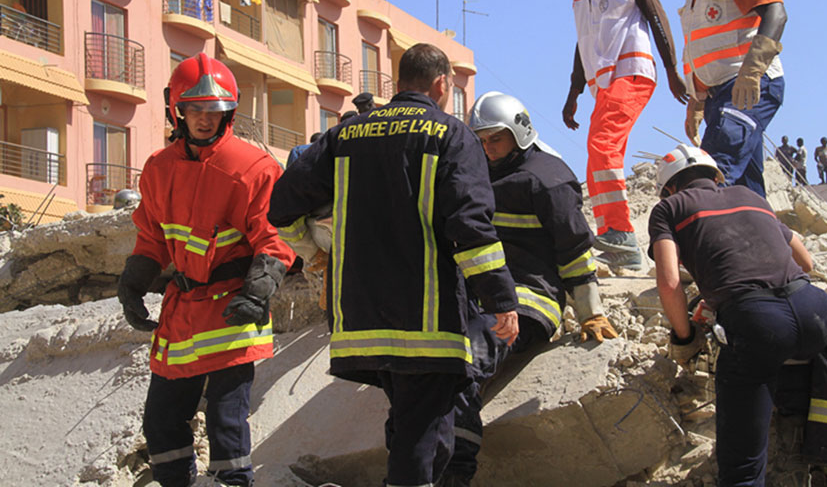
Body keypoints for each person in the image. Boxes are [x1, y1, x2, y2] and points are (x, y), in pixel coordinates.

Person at [267, 43, 519, 487]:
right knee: (426, 436)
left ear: (398, 84)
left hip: (359, 319)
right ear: (442, 85)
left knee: (409, 423)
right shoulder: (451, 135)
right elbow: (470, 228)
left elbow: (281, 207)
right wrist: (500, 299)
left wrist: (312, 252)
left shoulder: (346, 135)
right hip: (426, 320)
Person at [116, 53, 295, 487]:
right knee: (160, 422)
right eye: (194, 109)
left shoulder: (253, 167)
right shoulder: (159, 169)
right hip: (183, 311)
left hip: (233, 310)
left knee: (226, 422)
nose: (203, 119)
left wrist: (257, 291)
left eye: (213, 110)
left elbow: (276, 237)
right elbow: (152, 236)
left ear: (228, 111)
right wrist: (135, 282)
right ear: (177, 110)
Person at [440, 92, 618, 486]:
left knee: (462, 366)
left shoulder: (547, 180)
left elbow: (573, 251)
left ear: (519, 133)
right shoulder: (477, 175)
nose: (487, 149)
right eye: (481, 141)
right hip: (479, 298)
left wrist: (591, 312)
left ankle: (456, 474)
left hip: (527, 302)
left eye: (495, 140)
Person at [648, 144, 827, 487]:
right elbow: (806, 264)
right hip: (817, 311)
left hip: (759, 324)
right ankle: (794, 426)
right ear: (716, 177)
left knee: (742, 468)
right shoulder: (751, 196)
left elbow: (669, 281)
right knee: (791, 348)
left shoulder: (669, 209)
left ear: (669, 188)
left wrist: (685, 336)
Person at [555, 0, 688, 271]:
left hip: (632, 71)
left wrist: (673, 69)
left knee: (602, 146)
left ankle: (621, 234)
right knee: (598, 152)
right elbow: (582, 42)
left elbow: (656, 13)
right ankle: (617, 243)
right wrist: (574, 93)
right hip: (604, 84)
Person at [664, 0, 787, 199]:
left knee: (709, 174)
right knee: (745, 190)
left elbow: (776, 14)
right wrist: (697, 100)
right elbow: (703, 47)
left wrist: (752, 71)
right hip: (719, 94)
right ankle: (763, 240)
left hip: (746, 86)